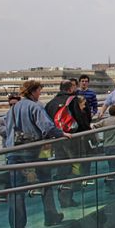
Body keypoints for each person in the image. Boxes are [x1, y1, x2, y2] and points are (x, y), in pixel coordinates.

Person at [5, 81, 71, 228]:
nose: (40, 94)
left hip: (13, 152)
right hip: (33, 151)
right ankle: (50, 215)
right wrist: (61, 134)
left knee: (16, 191)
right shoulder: (35, 107)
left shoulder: (13, 109)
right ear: (33, 91)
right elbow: (47, 127)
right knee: (45, 182)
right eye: (39, 91)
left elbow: (3, 127)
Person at [45, 80, 91, 208]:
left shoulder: (50, 103)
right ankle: (69, 196)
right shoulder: (73, 100)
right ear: (71, 88)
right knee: (75, 167)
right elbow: (81, 120)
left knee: (62, 168)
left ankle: (62, 198)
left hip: (57, 140)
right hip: (73, 139)